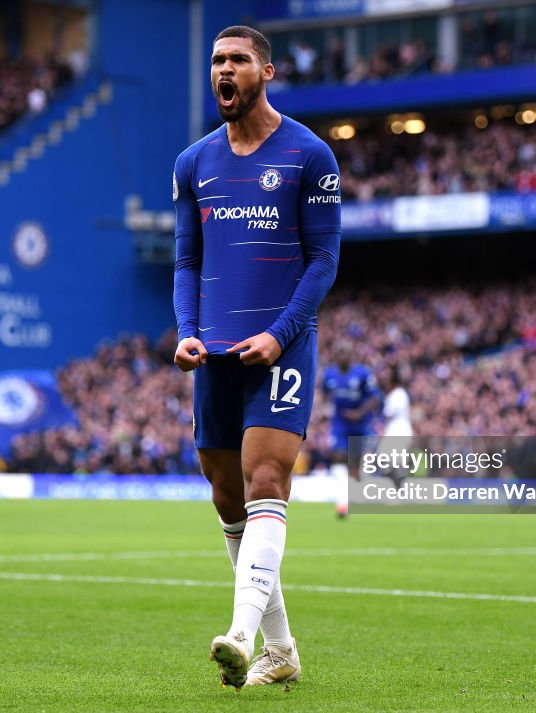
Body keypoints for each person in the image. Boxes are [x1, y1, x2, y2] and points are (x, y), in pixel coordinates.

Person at [172, 25, 341, 690]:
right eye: (216, 60)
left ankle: (239, 634)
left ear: (265, 72)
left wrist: (281, 331)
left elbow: (324, 259)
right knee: (226, 496)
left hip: (283, 344)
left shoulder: (309, 155)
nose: (224, 70)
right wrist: (186, 329)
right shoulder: (193, 163)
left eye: (237, 60)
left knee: (266, 477)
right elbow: (188, 259)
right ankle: (281, 649)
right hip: (211, 350)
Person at [322, 343, 381, 517]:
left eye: (346, 352)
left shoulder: (363, 373)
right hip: (340, 424)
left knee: (357, 466)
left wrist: (359, 412)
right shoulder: (329, 374)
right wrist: (325, 408)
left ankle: (358, 493)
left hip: (361, 425)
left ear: (351, 355)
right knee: (339, 457)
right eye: (339, 352)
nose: (343, 356)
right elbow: (325, 394)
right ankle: (342, 504)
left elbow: (375, 397)